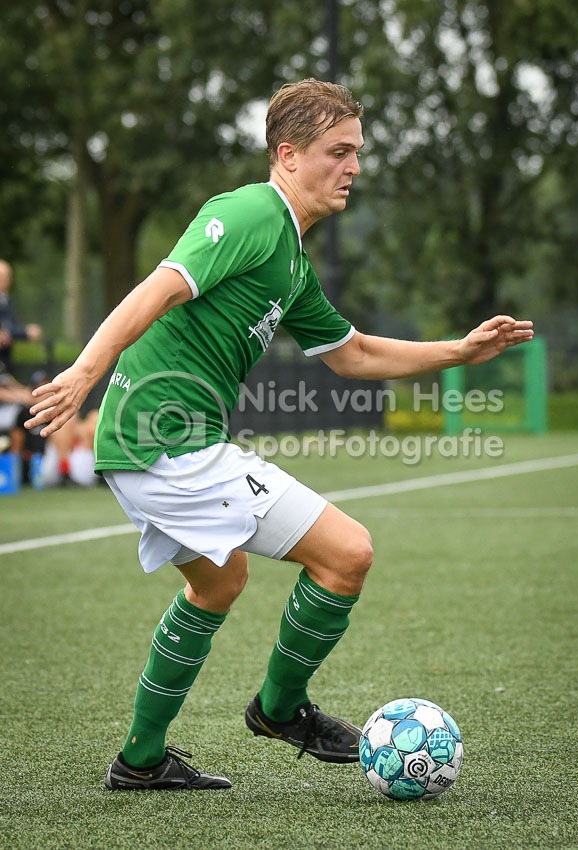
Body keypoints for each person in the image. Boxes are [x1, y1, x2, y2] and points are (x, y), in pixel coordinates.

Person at [26, 78, 534, 792]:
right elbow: (159, 288)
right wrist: (85, 370)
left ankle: (140, 762)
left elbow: (353, 355)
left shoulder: (291, 259)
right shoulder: (250, 213)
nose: (353, 166)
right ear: (288, 155)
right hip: (165, 441)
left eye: (357, 152)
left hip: (151, 446)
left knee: (219, 584)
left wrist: (459, 350)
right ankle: (280, 709)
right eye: (338, 151)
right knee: (347, 553)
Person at [0, 259, 43, 376]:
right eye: (2, 277)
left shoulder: (6, 300)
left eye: (7, 276)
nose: (5, 280)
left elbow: (8, 327)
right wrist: (25, 332)